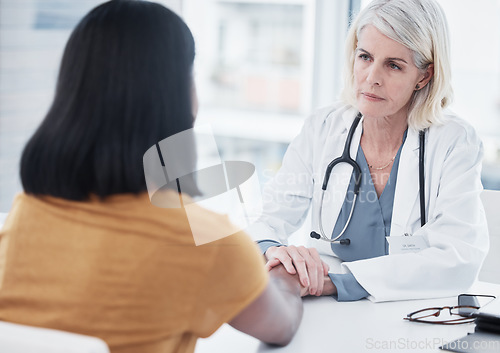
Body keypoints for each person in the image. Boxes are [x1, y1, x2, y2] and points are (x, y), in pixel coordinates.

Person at [0, 1, 303, 352]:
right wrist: (284, 274)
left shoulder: (24, 216)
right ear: (178, 100)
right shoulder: (206, 242)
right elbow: (281, 326)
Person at [248, 0, 489, 303]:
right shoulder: (323, 128)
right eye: (365, 57)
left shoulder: (454, 141)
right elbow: (266, 218)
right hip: (329, 315)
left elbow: (459, 257)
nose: (372, 77)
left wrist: (336, 283)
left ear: (424, 76)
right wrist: (277, 251)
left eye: (393, 65)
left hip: (415, 313)